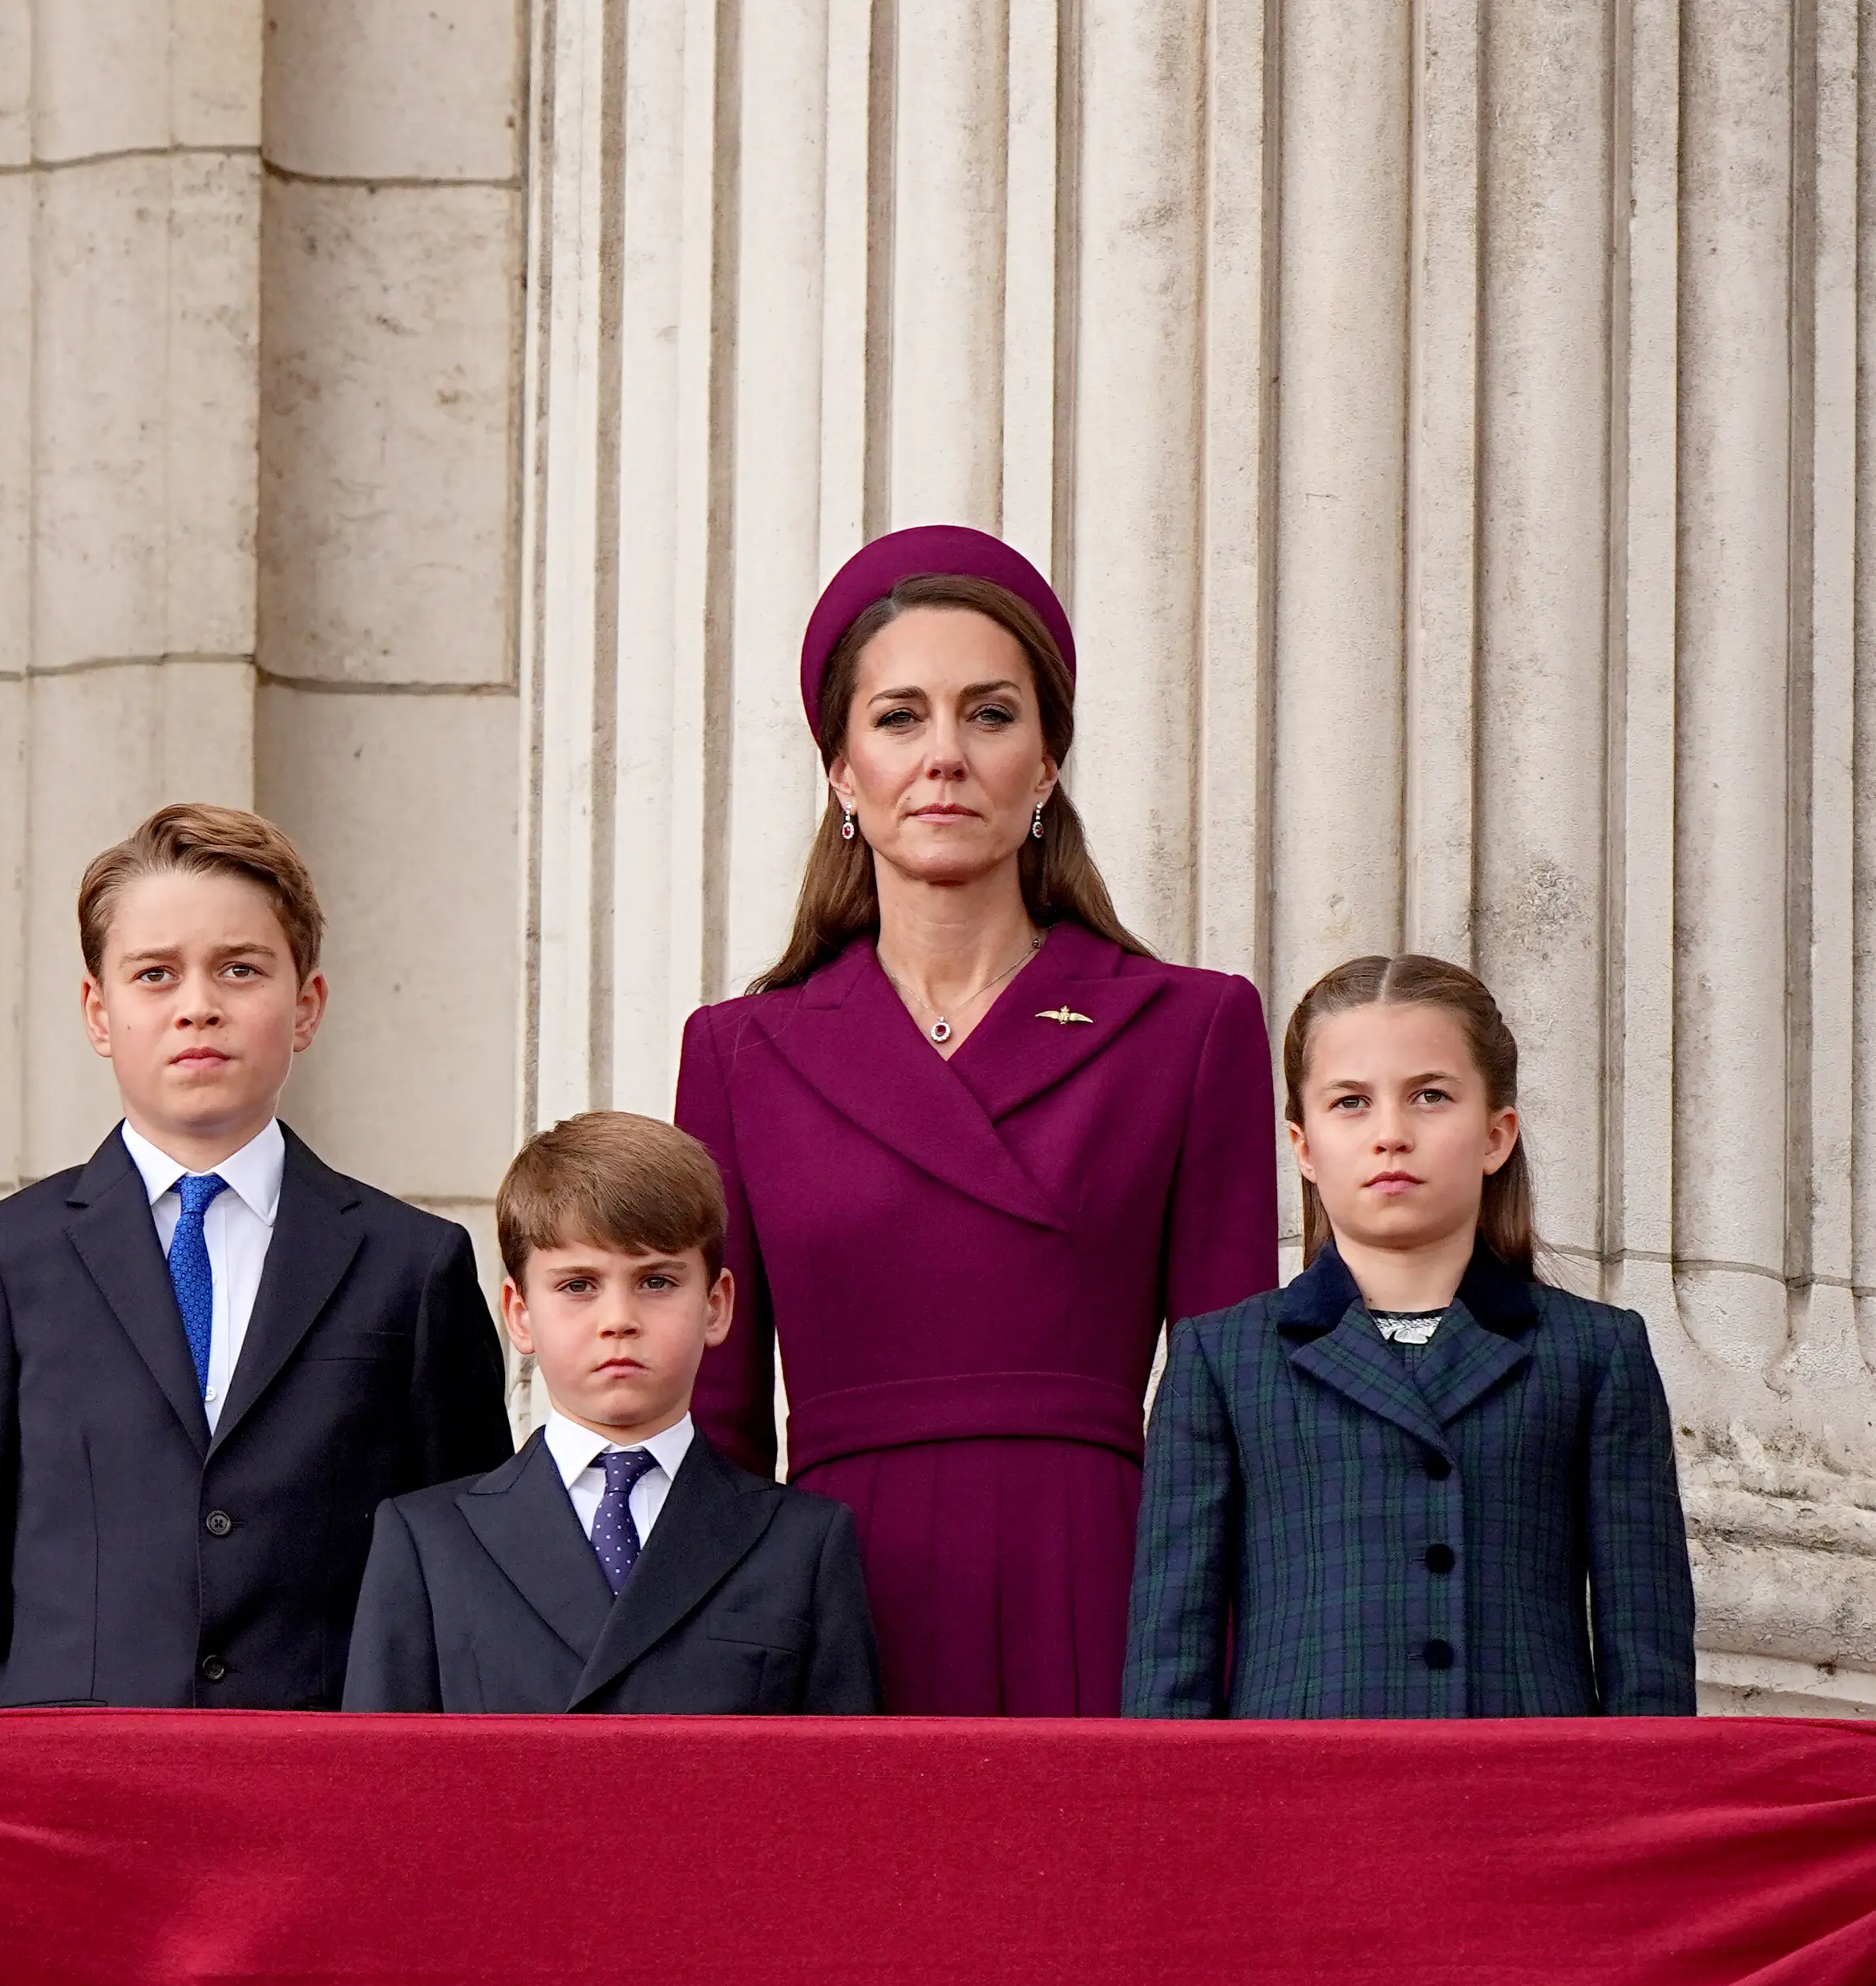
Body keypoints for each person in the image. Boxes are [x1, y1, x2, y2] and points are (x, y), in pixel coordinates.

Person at [673, 524, 1276, 1717]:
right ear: (842, 769)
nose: (943, 755)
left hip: (1105, 1588)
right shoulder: (738, 1052)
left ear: (1048, 762)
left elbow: (1231, 1410)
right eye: (899, 717)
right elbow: (718, 1416)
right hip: (828, 1596)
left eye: (990, 715)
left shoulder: (1190, 1027)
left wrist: (1209, 1667)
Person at [0, 803, 510, 1710]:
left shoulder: (410, 1267)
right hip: (65, 1798)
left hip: (316, 1796)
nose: (198, 1005)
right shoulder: (2, 1259)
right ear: (99, 1012)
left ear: (306, 1006)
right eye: (155, 974)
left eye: (240, 969)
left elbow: (456, 1577)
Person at [1125, 957, 1696, 1717]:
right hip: (1298, 1804)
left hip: (1531, 1802)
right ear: (1303, 1144)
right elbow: (1172, 1660)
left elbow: (1646, 1660)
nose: (1391, 1135)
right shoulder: (1222, 1360)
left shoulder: (1595, 1354)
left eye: (1429, 1097)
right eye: (1351, 1102)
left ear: (1497, 1135)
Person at [343, 1112, 880, 1714]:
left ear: (716, 1305)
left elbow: (840, 1790)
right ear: (519, 1313)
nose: (619, 1318)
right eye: (578, 1285)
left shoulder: (802, 1544)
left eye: (655, 1281)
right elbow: (381, 1786)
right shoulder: (427, 1543)